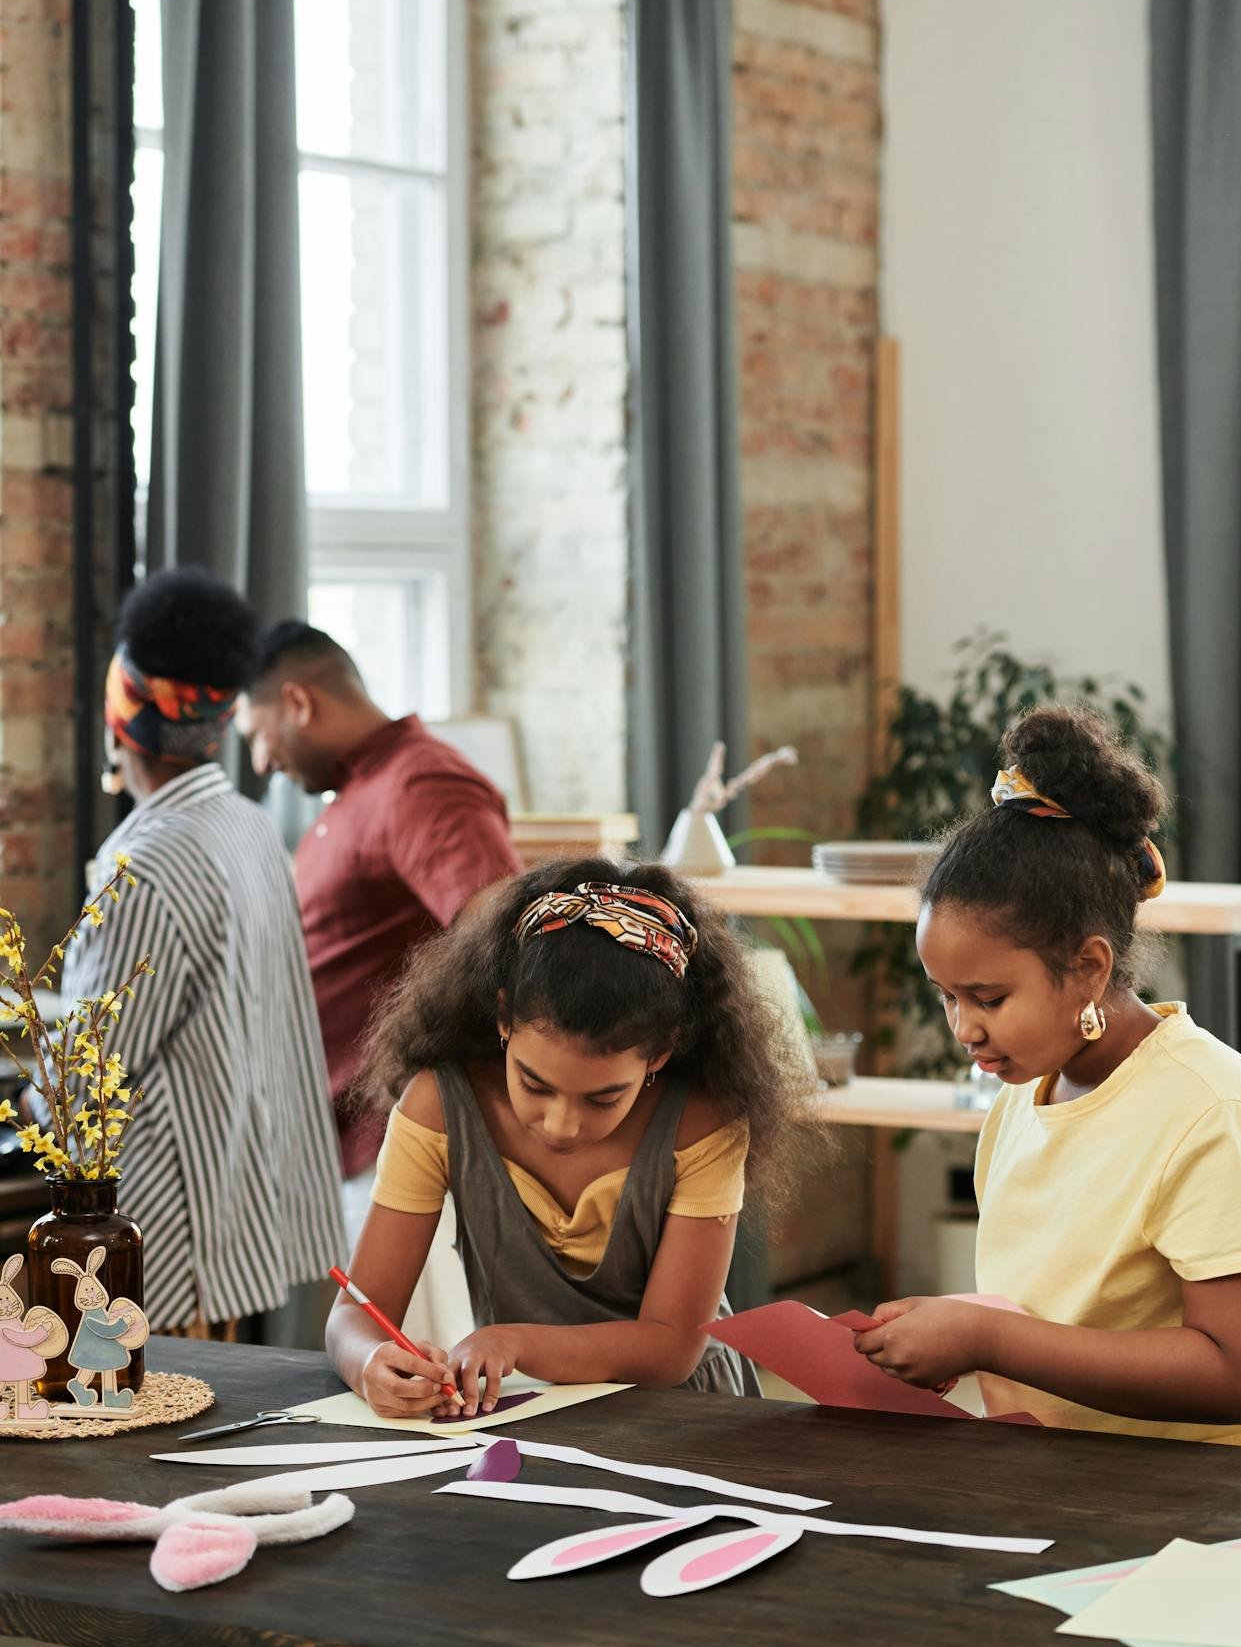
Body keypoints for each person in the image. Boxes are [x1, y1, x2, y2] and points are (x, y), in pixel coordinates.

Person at [853, 705, 1241, 1647]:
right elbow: (1048, 1295)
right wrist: (946, 1336)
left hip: (1223, 1505)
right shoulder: (1027, 1092)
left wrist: (987, 1337)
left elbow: (1239, 1372)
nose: (963, 1028)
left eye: (988, 995)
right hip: (1080, 1483)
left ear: (1090, 968)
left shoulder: (1218, 1111)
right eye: (946, 995)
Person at [326, 859, 824, 1418]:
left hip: (686, 1417)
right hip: (529, 1410)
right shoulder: (438, 1106)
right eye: (533, 1084)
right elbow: (356, 1312)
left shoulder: (703, 1123)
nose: (561, 1124)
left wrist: (513, 1343)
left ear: (661, 1052)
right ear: (503, 1017)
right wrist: (369, 1362)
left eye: (603, 1099)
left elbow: (671, 1349)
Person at [60, 570, 344, 1333]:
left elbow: (84, 1087)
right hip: (239, 1213)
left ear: (124, 717)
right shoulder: (248, 828)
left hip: (165, 1236)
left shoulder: (144, 868)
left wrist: (27, 1097)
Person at [237, 624, 523, 1261]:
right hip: (340, 1140)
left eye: (258, 736)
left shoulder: (422, 785)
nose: (260, 763)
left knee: (412, 1355)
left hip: (394, 1140)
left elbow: (508, 946)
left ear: (299, 703)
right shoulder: (362, 793)